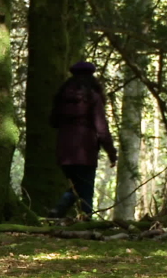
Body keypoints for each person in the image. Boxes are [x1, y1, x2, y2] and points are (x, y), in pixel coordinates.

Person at [48, 61, 118, 220]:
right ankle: (84, 219)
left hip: (64, 151)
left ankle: (57, 212)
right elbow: (102, 129)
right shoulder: (93, 97)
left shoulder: (61, 97)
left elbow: (53, 122)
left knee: (77, 188)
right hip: (85, 151)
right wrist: (111, 153)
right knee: (85, 189)